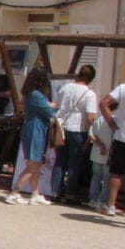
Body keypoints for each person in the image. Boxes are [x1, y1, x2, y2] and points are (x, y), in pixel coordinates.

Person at [6, 67, 55, 206]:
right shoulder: (35, 95)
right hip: (35, 131)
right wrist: (54, 106)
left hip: (36, 129)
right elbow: (48, 111)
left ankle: (35, 193)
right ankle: (15, 193)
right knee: (33, 165)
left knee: (36, 164)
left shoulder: (32, 94)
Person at [50, 64, 98, 204]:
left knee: (59, 162)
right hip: (78, 130)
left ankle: (55, 192)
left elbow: (57, 105)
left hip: (62, 127)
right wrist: (92, 132)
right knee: (74, 164)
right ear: (91, 78)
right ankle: (70, 194)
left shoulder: (66, 88)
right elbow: (90, 117)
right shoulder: (89, 94)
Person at [98, 79, 125, 216]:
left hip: (122, 136)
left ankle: (111, 205)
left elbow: (103, 103)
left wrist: (112, 124)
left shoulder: (123, 88)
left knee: (116, 173)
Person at [89, 99, 116, 212]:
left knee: (95, 177)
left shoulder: (98, 119)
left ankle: (93, 200)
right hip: (108, 154)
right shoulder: (114, 121)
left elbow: (91, 134)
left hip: (96, 152)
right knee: (106, 180)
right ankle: (102, 201)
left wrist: (100, 145)